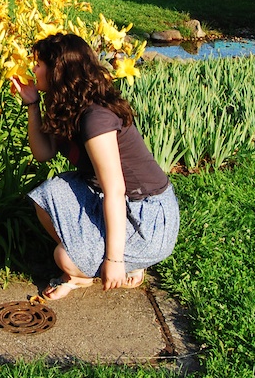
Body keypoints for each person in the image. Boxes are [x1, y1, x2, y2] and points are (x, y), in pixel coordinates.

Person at [10, 33, 179, 298]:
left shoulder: (95, 118)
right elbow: (43, 154)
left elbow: (115, 190)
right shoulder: (66, 105)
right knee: (46, 196)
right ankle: (91, 264)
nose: (33, 69)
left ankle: (106, 267)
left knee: (64, 257)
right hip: (111, 200)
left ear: (57, 71)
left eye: (39, 64)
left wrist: (114, 261)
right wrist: (32, 104)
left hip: (147, 216)